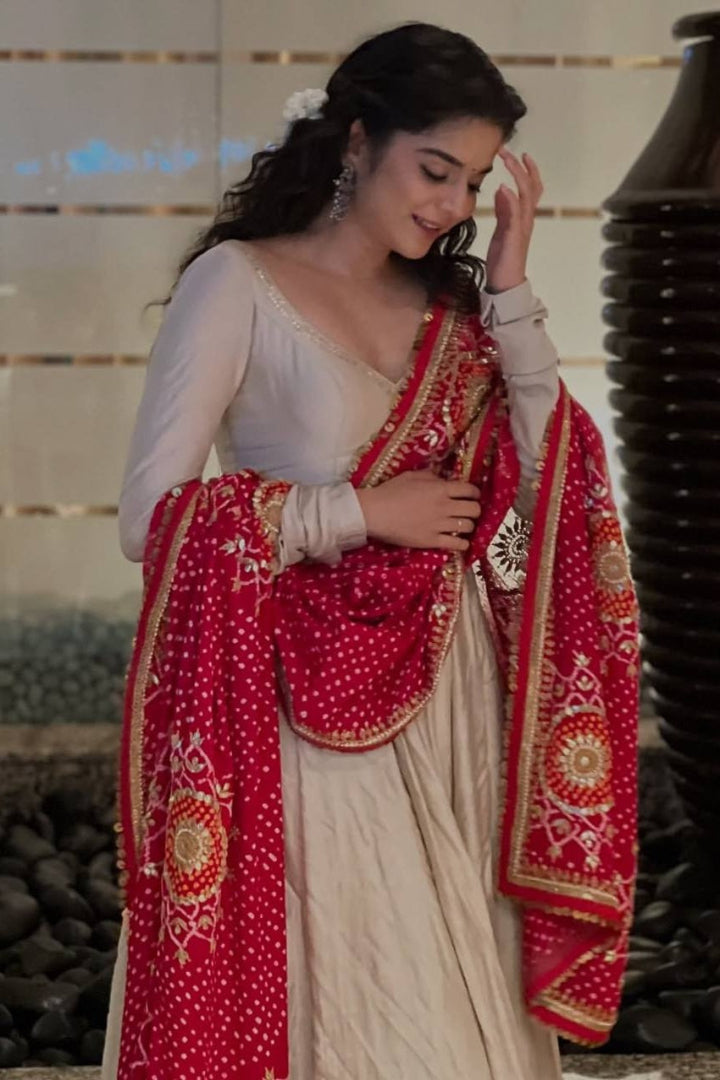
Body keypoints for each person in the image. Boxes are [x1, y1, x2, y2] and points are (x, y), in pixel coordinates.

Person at [103, 22, 639, 1080]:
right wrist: (358, 512)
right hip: (305, 712)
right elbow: (147, 517)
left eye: (472, 183)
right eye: (434, 170)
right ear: (357, 140)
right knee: (371, 1005)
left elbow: (549, 488)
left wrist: (511, 288)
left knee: (462, 1012)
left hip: (457, 703)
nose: (451, 206)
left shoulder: (455, 310)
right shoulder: (237, 283)